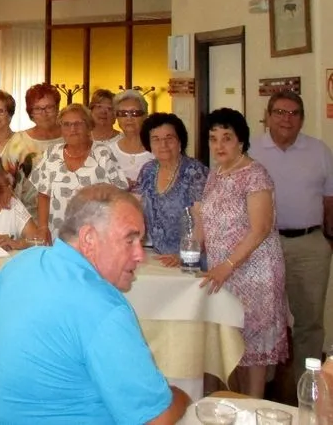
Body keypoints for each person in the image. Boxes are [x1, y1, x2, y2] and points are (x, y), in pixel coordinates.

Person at [0, 184, 190, 424]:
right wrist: (182, 397)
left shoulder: (28, 260)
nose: (140, 255)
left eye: (141, 241)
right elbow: (155, 419)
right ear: (89, 239)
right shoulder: (104, 309)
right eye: (129, 240)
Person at [198, 107, 288, 397]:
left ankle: (256, 407)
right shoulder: (217, 173)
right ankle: (235, 410)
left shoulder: (255, 174)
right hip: (225, 272)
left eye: (227, 138)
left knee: (254, 348)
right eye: (213, 138)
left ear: (241, 141)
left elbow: (260, 228)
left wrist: (227, 264)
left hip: (254, 272)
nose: (219, 145)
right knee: (232, 346)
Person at [248, 90, 332, 380]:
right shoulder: (250, 151)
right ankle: (264, 381)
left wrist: (328, 240)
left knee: (309, 320)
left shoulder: (319, 151)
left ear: (302, 119)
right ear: (268, 117)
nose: (287, 119)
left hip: (310, 245)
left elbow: (329, 200)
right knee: (265, 317)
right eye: (280, 113)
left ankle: (307, 387)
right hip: (263, 245)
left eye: (294, 113)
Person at [31, 104, 127, 241]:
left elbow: (118, 196)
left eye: (78, 124)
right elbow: (43, 195)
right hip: (56, 235)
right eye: (67, 124)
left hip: (95, 235)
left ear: (89, 126)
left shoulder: (103, 154)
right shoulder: (51, 153)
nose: (73, 129)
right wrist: (42, 228)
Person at [134, 113, 208, 262]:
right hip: (158, 256)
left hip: (191, 259)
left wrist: (185, 256)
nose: (163, 145)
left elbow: (202, 220)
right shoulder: (148, 170)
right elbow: (134, 207)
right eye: (156, 139)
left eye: (169, 138)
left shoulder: (194, 171)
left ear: (180, 141)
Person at [0, 83, 63, 218]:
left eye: (49, 107)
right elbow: (3, 181)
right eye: (38, 108)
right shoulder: (19, 141)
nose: (44, 113)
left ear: (57, 109)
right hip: (27, 218)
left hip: (66, 216)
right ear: (30, 112)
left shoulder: (70, 137)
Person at [108, 89, 154, 187]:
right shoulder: (107, 152)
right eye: (123, 113)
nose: (129, 118)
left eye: (134, 113)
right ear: (117, 118)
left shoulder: (159, 149)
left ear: (145, 116)